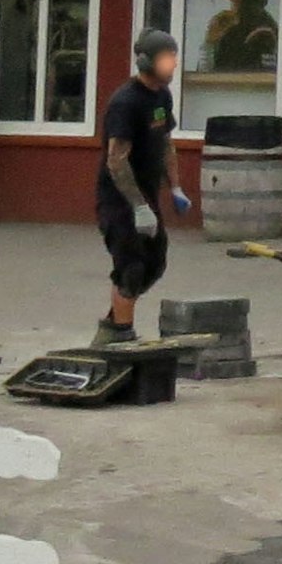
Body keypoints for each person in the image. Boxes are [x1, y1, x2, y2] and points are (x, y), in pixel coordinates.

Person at [97, 30, 194, 344]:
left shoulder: (161, 97)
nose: (174, 65)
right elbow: (116, 160)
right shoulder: (126, 102)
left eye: (174, 58)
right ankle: (121, 335)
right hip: (119, 200)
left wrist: (175, 187)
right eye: (167, 59)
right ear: (145, 62)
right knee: (131, 267)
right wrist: (138, 206)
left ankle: (112, 325)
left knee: (155, 263)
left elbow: (166, 143)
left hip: (148, 197)